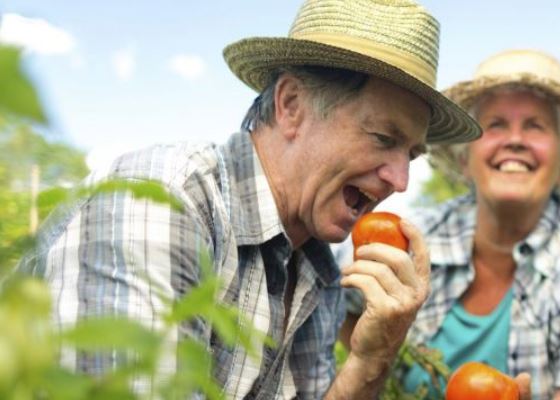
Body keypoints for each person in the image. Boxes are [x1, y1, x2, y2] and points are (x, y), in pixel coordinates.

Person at [18, 0, 480, 398]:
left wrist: (371, 359)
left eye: (412, 155)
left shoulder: (318, 274)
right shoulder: (164, 205)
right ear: (292, 105)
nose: (400, 180)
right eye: (383, 138)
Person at [340, 49, 560, 399]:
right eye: (496, 125)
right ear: (465, 159)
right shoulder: (414, 233)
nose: (515, 140)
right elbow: (341, 303)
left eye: (535, 126)